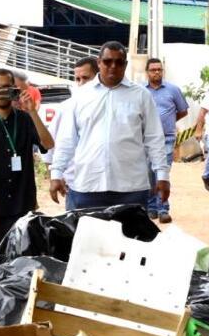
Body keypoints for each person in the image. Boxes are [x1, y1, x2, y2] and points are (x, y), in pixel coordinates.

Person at [49, 41, 169, 211]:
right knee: (88, 237)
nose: (113, 66)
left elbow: (154, 138)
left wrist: (162, 175)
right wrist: (56, 174)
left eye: (119, 62)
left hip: (131, 187)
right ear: (99, 63)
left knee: (130, 237)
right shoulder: (80, 96)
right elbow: (67, 139)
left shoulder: (141, 96)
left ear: (125, 65)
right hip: (88, 186)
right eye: (107, 61)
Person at [0, 68, 52, 256]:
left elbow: (48, 143)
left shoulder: (26, 119)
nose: (2, 92)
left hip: (22, 201)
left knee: (21, 257)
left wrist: (33, 111)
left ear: (15, 89)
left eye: (6, 88)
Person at [45, 56, 99, 203]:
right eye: (77, 79)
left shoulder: (110, 104)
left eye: (86, 78)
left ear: (98, 77)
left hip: (105, 184)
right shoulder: (66, 107)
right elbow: (51, 145)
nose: (81, 83)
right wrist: (55, 176)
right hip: (74, 184)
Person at [144, 58, 189, 223]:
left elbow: (183, 111)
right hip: (146, 140)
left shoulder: (173, 90)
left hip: (167, 138)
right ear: (147, 72)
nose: (157, 72)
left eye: (159, 69)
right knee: (149, 174)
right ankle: (151, 209)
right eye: (153, 70)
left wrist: (168, 121)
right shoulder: (141, 91)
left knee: (162, 174)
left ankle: (163, 209)